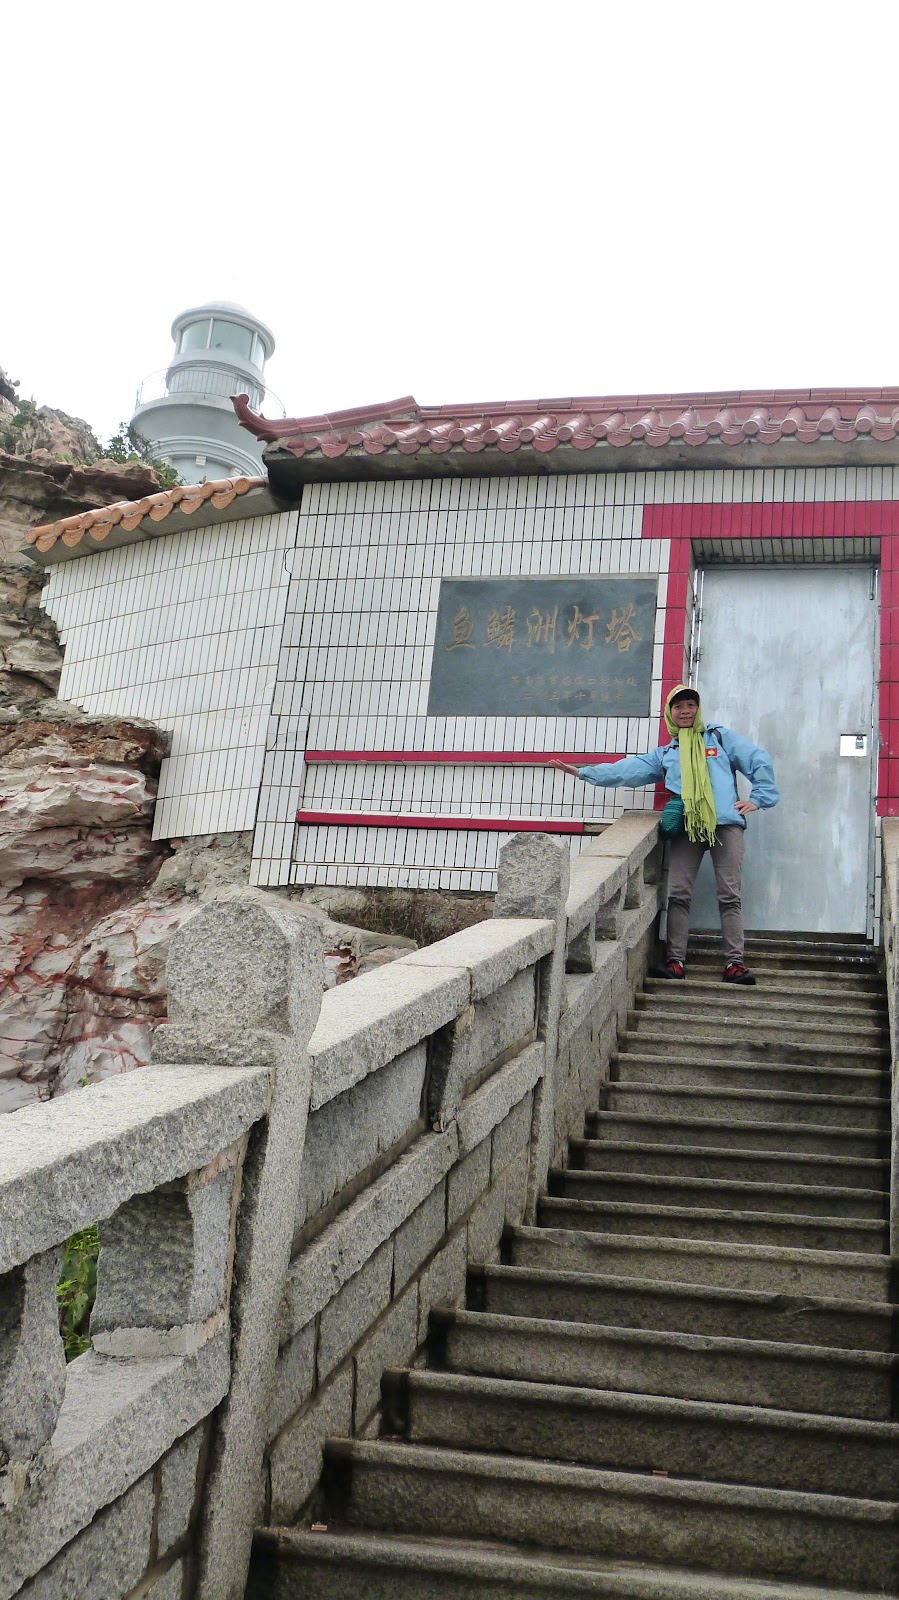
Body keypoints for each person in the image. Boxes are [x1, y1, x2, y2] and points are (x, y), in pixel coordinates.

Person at [552, 684, 779, 984]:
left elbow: (758, 758)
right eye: (678, 706)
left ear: (698, 708)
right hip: (688, 827)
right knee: (679, 894)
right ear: (670, 713)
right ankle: (675, 962)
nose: (685, 711)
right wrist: (584, 772)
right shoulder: (666, 754)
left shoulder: (718, 737)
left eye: (690, 705)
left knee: (729, 895)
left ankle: (734, 963)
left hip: (725, 824)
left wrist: (759, 798)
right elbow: (627, 770)